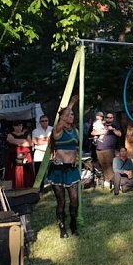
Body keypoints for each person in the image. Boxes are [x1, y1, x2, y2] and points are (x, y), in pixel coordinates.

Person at [48, 96, 80, 238]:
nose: (71, 116)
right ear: (62, 117)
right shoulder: (57, 130)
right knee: (61, 201)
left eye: (72, 114)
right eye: (69, 114)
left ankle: (73, 223)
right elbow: (62, 119)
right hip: (58, 170)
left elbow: (76, 149)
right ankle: (62, 228)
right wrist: (72, 103)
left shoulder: (76, 131)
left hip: (71, 169)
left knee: (74, 198)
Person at [94, 111, 121, 186]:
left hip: (109, 149)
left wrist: (113, 129)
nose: (109, 119)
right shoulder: (100, 124)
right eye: (107, 117)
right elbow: (92, 132)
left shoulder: (115, 125)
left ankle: (113, 181)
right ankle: (107, 180)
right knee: (103, 165)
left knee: (110, 166)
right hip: (99, 148)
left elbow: (119, 134)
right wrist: (101, 131)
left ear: (113, 118)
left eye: (110, 117)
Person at [5, 121, 33, 189]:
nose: (19, 127)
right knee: (15, 170)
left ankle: (27, 185)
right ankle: (16, 186)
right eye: (17, 125)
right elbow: (12, 140)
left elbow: (30, 144)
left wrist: (18, 143)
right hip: (14, 155)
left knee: (26, 170)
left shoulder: (26, 133)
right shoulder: (10, 134)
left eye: (20, 125)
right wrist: (23, 141)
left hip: (26, 155)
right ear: (14, 127)